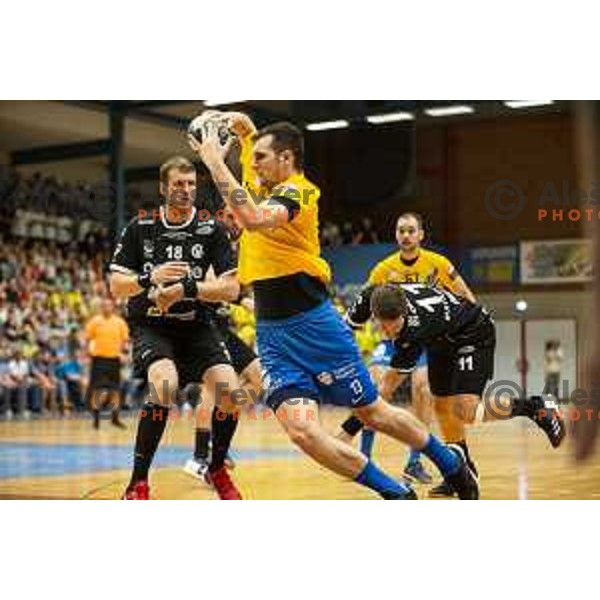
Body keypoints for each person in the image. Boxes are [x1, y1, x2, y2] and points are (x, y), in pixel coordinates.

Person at [188, 114, 479, 499]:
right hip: (274, 337)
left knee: (372, 413)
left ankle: (451, 463)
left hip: (316, 325)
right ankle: (396, 495)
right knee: (303, 433)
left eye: (260, 157)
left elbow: (253, 218)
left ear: (286, 159)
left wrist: (212, 159)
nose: (252, 164)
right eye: (252, 157)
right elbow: (251, 157)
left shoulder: (300, 192)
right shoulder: (262, 178)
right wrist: (242, 127)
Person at [346, 282, 566, 496]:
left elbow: (387, 387)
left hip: (473, 333)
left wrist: (348, 429)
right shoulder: (370, 297)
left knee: (466, 411)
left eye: (393, 323)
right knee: (442, 407)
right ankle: (463, 470)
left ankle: (535, 407)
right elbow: (341, 330)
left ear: (404, 312)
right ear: (373, 312)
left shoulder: (414, 329)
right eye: (382, 324)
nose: (387, 330)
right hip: (441, 338)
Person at [109, 156, 244, 500]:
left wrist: (185, 288)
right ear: (163, 188)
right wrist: (148, 277)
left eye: (191, 184)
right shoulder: (141, 226)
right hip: (153, 325)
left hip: (197, 325)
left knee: (231, 394)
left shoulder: (211, 228)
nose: (185, 191)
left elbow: (231, 288)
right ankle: (137, 483)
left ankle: (215, 468)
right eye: (178, 184)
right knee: (165, 386)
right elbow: (116, 284)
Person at [338, 212, 477, 491]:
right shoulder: (383, 269)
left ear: (421, 235)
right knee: (378, 385)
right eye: (401, 231)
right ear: (396, 235)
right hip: (391, 340)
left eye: (411, 230)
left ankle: (414, 460)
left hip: (425, 340)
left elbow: (468, 299)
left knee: (424, 388)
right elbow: (364, 302)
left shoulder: (438, 264)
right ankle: (364, 455)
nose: (406, 235)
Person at [83, 298, 129, 428]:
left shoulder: (119, 322)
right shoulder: (95, 322)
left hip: (114, 360)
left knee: (115, 390)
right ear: (101, 307)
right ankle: (96, 418)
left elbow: (125, 341)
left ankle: (115, 417)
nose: (106, 308)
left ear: (113, 307)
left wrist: (125, 355)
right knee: (97, 389)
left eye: (109, 305)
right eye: (104, 305)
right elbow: (87, 339)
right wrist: (86, 353)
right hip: (98, 359)